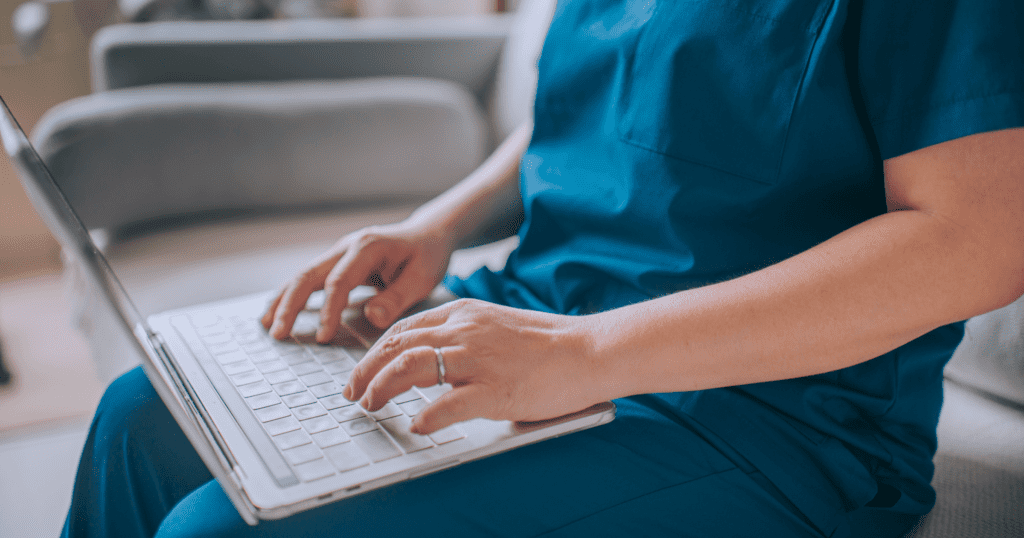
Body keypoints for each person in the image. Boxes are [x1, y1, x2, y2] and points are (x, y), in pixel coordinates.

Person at [62, 1, 1024, 537]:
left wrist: (590, 353)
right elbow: (602, 108)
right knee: (141, 415)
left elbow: (976, 242)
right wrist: (438, 225)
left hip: (764, 415)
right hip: (541, 312)